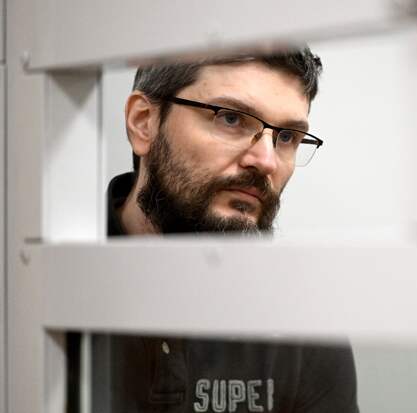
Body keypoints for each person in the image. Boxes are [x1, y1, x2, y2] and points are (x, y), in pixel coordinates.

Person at [103, 47, 359, 413]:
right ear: (144, 122)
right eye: (231, 118)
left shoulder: (302, 320)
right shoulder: (47, 274)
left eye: (286, 137)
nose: (266, 161)